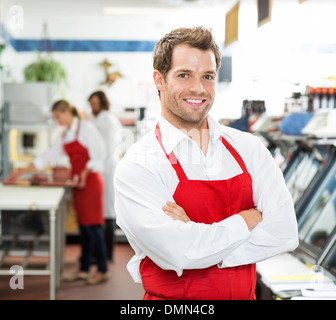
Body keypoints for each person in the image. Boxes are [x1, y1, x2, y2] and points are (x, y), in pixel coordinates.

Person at [114, 26, 298, 300]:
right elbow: (177, 251)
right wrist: (246, 220)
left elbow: (285, 233)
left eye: (208, 76)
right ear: (159, 80)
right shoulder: (139, 165)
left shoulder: (249, 148)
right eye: (184, 75)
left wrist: (198, 239)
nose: (198, 88)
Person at [18, 100, 110, 285]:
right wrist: (20, 172)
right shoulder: (65, 135)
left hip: (90, 182)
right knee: (83, 228)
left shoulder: (86, 128)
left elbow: (99, 155)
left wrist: (83, 173)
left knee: (93, 227)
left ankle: (102, 269)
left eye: (57, 116)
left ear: (67, 112)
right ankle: (84, 269)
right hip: (78, 184)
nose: (56, 119)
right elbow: (47, 157)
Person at [88, 90, 122, 262]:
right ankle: (100, 253)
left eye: (95, 103)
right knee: (101, 212)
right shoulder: (98, 119)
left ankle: (107, 254)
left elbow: (106, 150)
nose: (92, 107)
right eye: (91, 103)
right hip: (101, 170)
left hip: (107, 170)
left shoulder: (107, 120)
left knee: (108, 212)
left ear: (102, 102)